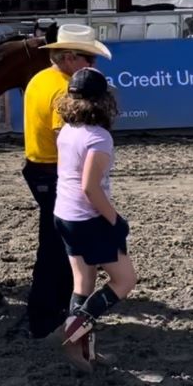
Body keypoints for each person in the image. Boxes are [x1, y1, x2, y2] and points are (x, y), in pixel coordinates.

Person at [22, 24, 112, 340]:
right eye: (90, 59)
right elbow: (71, 142)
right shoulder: (65, 90)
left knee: (57, 246)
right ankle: (46, 320)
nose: (94, 66)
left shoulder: (41, 78)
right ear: (72, 57)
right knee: (57, 251)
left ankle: (50, 315)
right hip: (54, 173)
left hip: (41, 169)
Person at [55, 67, 136, 372]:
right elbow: (90, 188)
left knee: (84, 283)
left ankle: (84, 352)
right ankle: (71, 334)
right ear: (103, 100)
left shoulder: (67, 129)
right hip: (88, 218)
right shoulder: (99, 137)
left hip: (64, 214)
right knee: (125, 280)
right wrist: (116, 220)